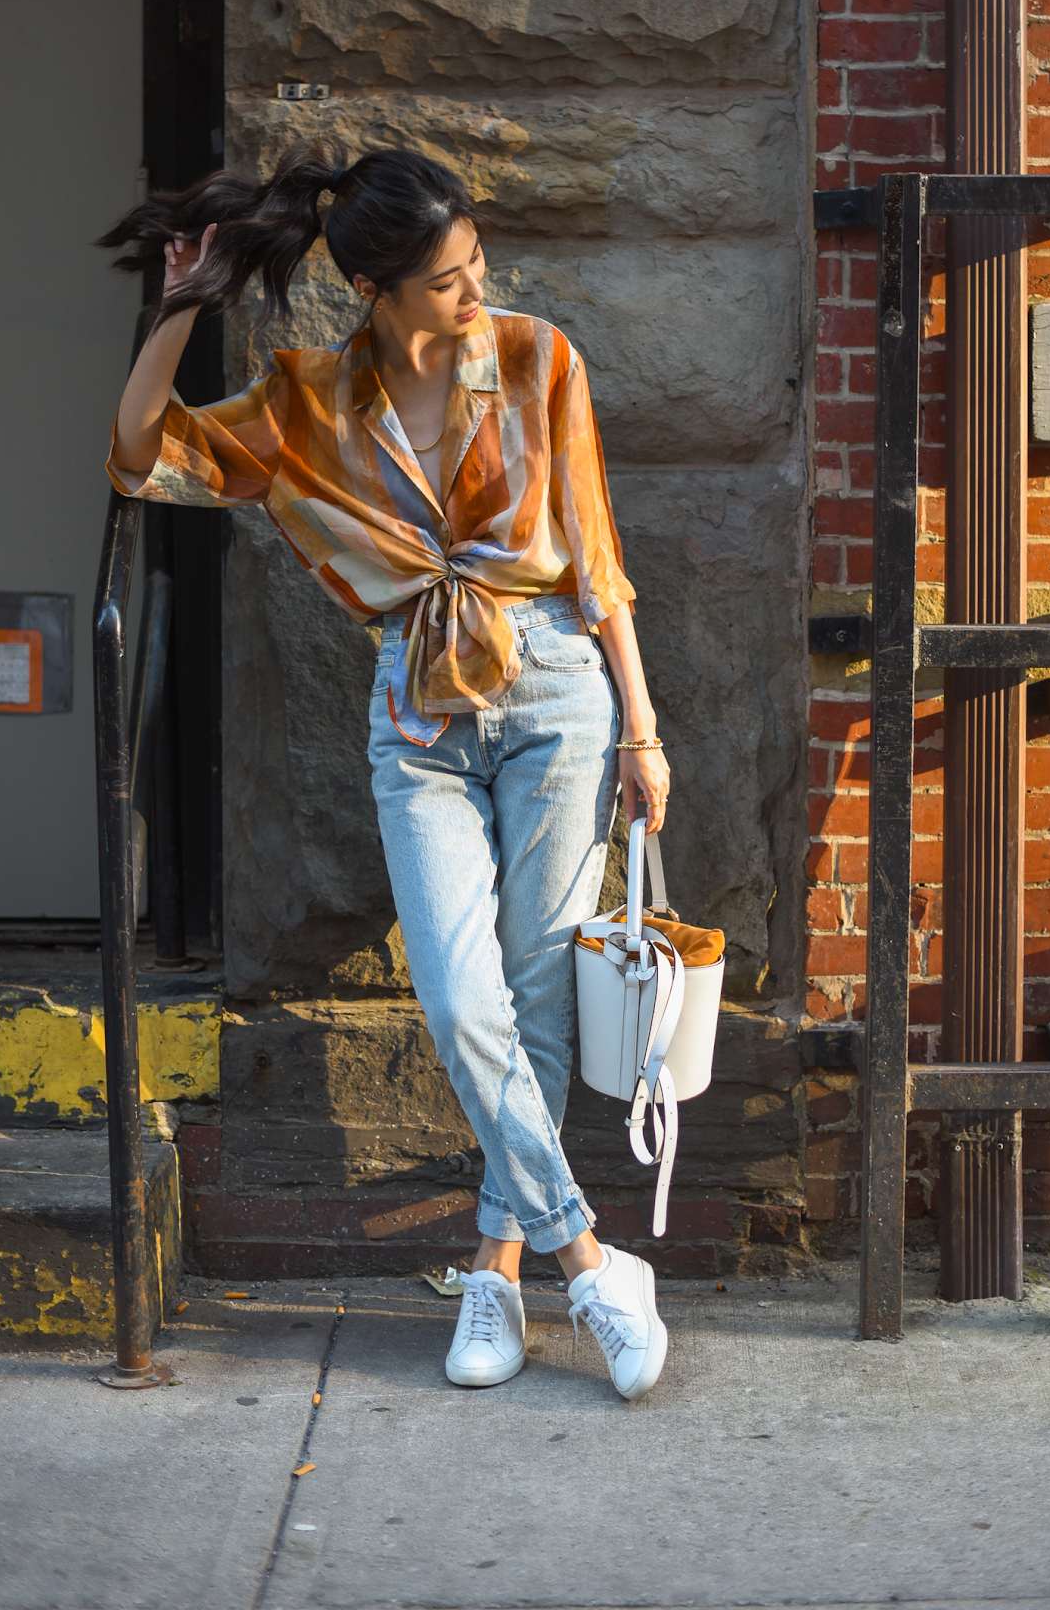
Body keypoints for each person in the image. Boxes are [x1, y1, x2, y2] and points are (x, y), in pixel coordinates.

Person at [102, 144, 674, 1401]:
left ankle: (492, 1263)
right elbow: (141, 456)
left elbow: (595, 553)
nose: (477, 291)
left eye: (476, 265)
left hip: (558, 690)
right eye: (449, 279)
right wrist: (179, 308)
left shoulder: (538, 358)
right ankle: (588, 1258)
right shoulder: (303, 403)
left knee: (531, 999)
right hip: (415, 713)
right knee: (458, 997)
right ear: (375, 285)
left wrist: (641, 724)